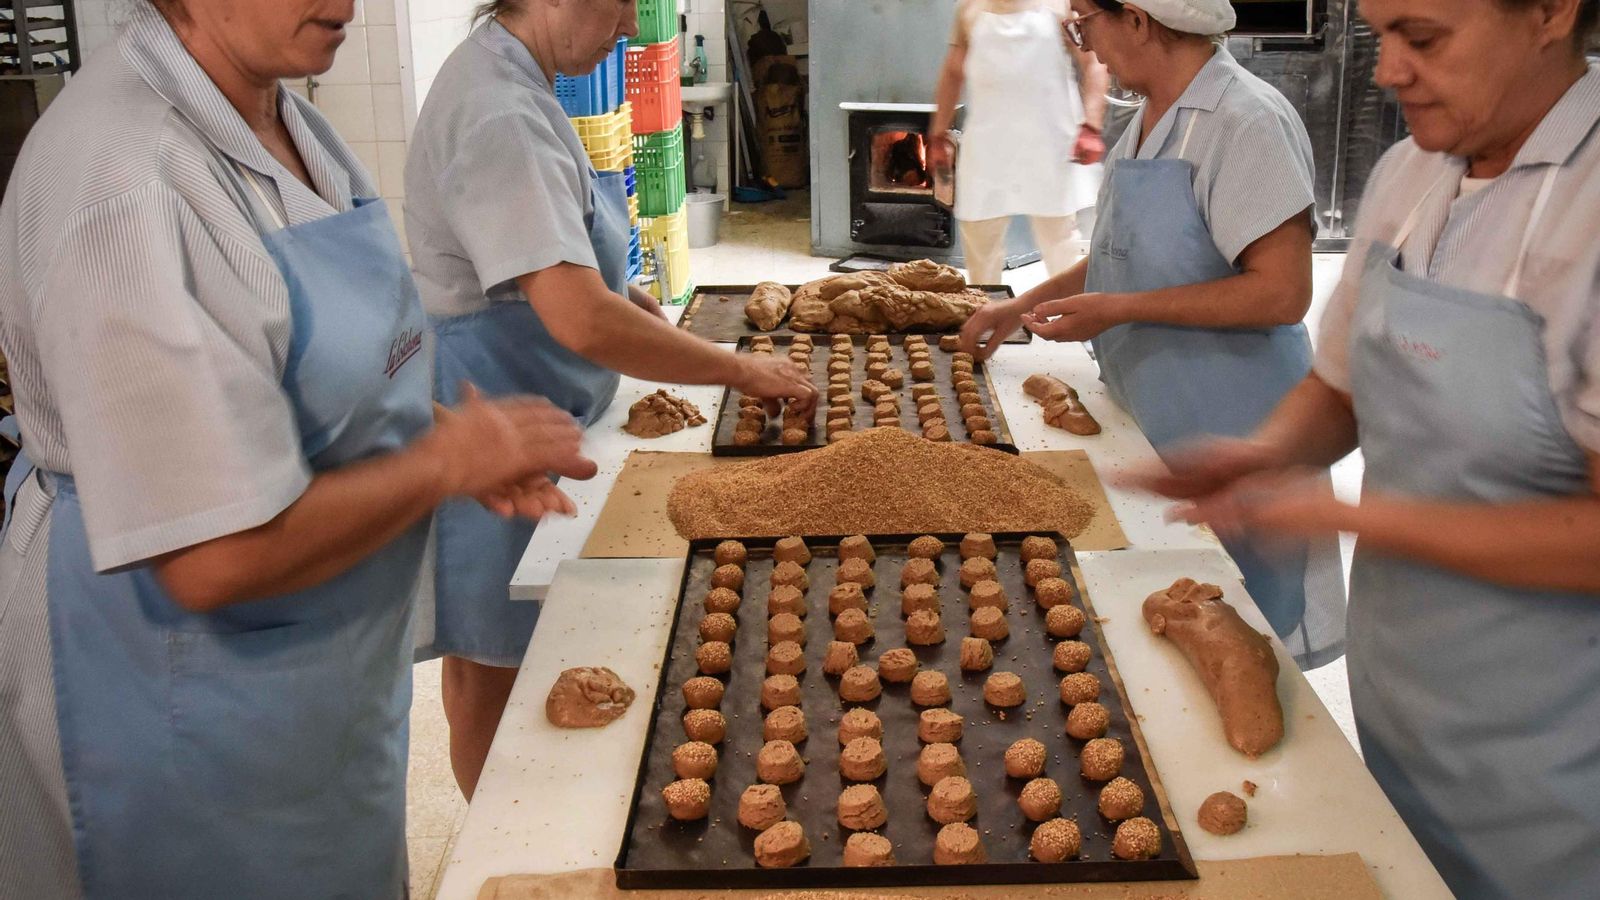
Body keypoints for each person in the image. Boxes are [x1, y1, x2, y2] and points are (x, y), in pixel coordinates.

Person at [0, 1, 595, 896]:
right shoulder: (123, 178)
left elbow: (307, 377)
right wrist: (442, 465)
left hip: (315, 680)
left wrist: (442, 433)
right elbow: (209, 556)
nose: (346, 4)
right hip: (181, 700)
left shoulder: (285, 116)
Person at [1138, 0, 1600, 895]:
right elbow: (1340, 386)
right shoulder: (1410, 173)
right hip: (1406, 691)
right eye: (1381, 32)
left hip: (1554, 747)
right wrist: (1264, 451)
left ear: (1550, 12)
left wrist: (1350, 513)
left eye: (1422, 38)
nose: (1387, 70)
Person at [404, 0, 817, 799]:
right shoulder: (499, 111)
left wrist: (614, 281)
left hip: (538, 406)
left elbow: (538, 248)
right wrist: (737, 370)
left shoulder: (518, 74)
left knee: (518, 646)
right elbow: (574, 315)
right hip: (492, 418)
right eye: (620, 5)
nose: (629, 28)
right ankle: (505, 847)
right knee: (490, 665)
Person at [960, 0, 1345, 669]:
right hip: (1159, 412)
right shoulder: (1147, 122)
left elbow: (1283, 291)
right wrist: (1015, 305)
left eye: (1086, 21)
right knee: (1173, 637)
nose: (1084, 42)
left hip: (1238, 425)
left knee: (1247, 643)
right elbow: (1114, 256)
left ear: (1137, 20)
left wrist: (1120, 308)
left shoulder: (1243, 121)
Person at [930, 0, 1110, 285]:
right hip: (988, 145)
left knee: (1060, 244)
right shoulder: (969, 10)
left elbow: (1094, 63)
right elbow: (953, 72)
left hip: (1050, 143)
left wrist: (1091, 125)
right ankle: (987, 319)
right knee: (980, 243)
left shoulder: (1059, 6)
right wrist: (937, 135)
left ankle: (1072, 324)